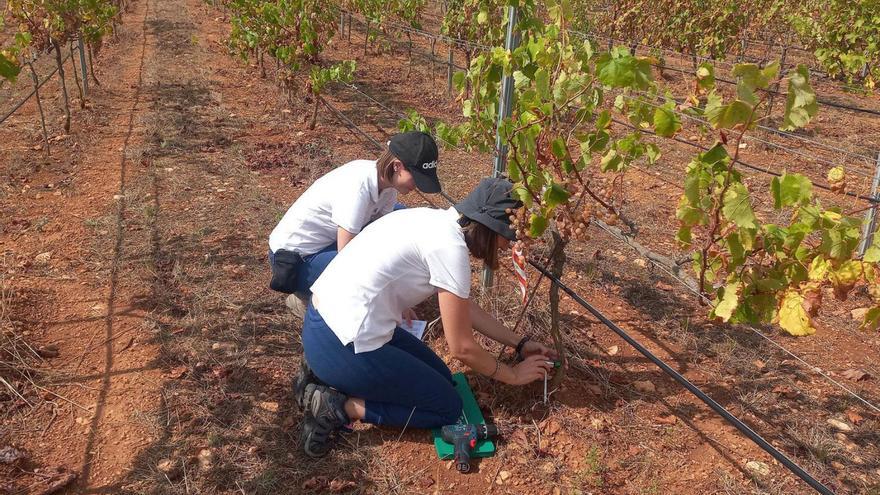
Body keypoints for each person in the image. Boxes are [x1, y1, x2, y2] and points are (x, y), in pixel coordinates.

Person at [296, 177, 558, 458]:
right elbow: (462, 348)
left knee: (443, 379)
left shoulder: (431, 221)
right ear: (489, 228)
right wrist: (513, 375)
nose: (508, 246)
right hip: (340, 344)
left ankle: (327, 373)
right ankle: (338, 407)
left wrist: (520, 343)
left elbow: (464, 309)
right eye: (507, 237)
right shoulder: (450, 249)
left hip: (323, 326)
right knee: (446, 406)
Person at [267, 131, 441, 317]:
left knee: (399, 219)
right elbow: (348, 260)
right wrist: (394, 300)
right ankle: (310, 300)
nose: (417, 186)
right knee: (362, 277)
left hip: (328, 242)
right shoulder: (357, 188)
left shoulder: (387, 185)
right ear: (397, 166)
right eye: (416, 177)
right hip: (294, 261)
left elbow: (384, 235)